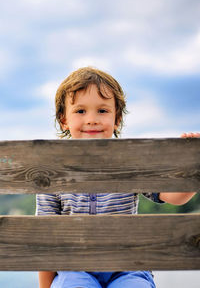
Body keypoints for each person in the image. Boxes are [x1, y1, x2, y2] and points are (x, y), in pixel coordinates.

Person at [36, 66, 198, 288]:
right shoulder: (52, 171)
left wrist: (193, 165)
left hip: (128, 268)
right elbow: (43, 237)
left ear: (117, 119)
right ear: (64, 120)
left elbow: (175, 197)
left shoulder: (130, 163)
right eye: (81, 111)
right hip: (75, 269)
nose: (92, 119)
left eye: (102, 111)